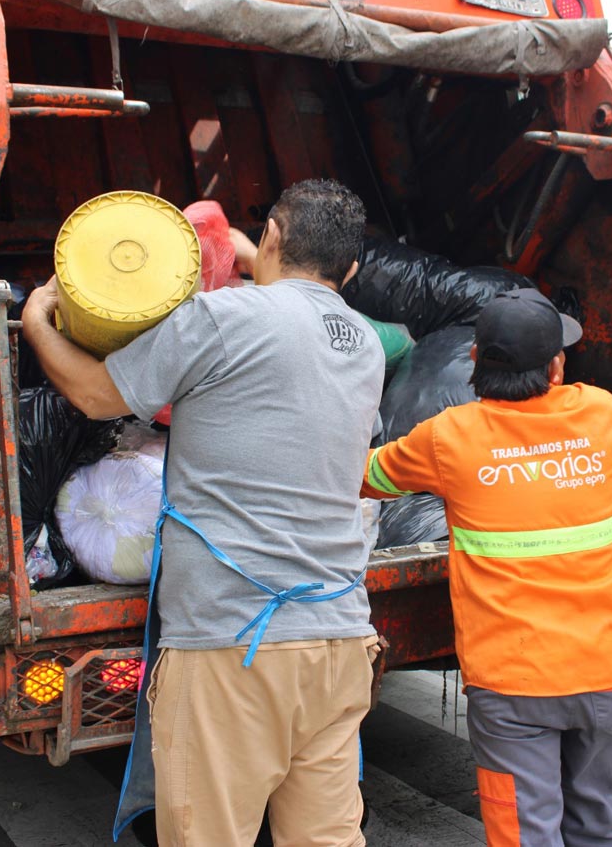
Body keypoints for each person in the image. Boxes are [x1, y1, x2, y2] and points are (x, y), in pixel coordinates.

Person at [21, 179, 384, 846]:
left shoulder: (222, 318)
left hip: (234, 644)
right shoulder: (363, 343)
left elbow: (99, 395)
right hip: (339, 637)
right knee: (327, 837)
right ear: (352, 269)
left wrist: (37, 323)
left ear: (271, 237)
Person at [362, 288, 612, 847]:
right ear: (557, 366)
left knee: (527, 835)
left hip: (514, 684)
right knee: (604, 824)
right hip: (604, 671)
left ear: (472, 361)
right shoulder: (601, 413)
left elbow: (370, 478)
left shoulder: (450, 437)